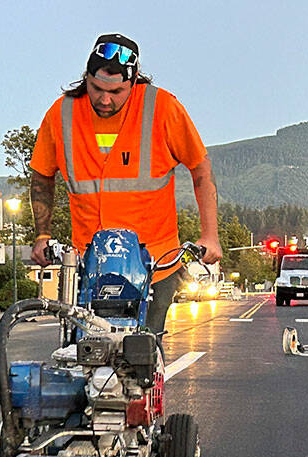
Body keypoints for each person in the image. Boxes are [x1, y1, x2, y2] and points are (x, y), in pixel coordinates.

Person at [28, 33, 222, 332]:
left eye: (116, 91)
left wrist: (210, 235)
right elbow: (41, 174)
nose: (105, 99)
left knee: (141, 352)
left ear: (133, 83)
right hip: (89, 263)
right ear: (86, 77)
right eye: (96, 88)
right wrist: (43, 235)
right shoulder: (61, 113)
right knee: (85, 349)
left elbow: (201, 169)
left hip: (155, 264)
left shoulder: (162, 108)